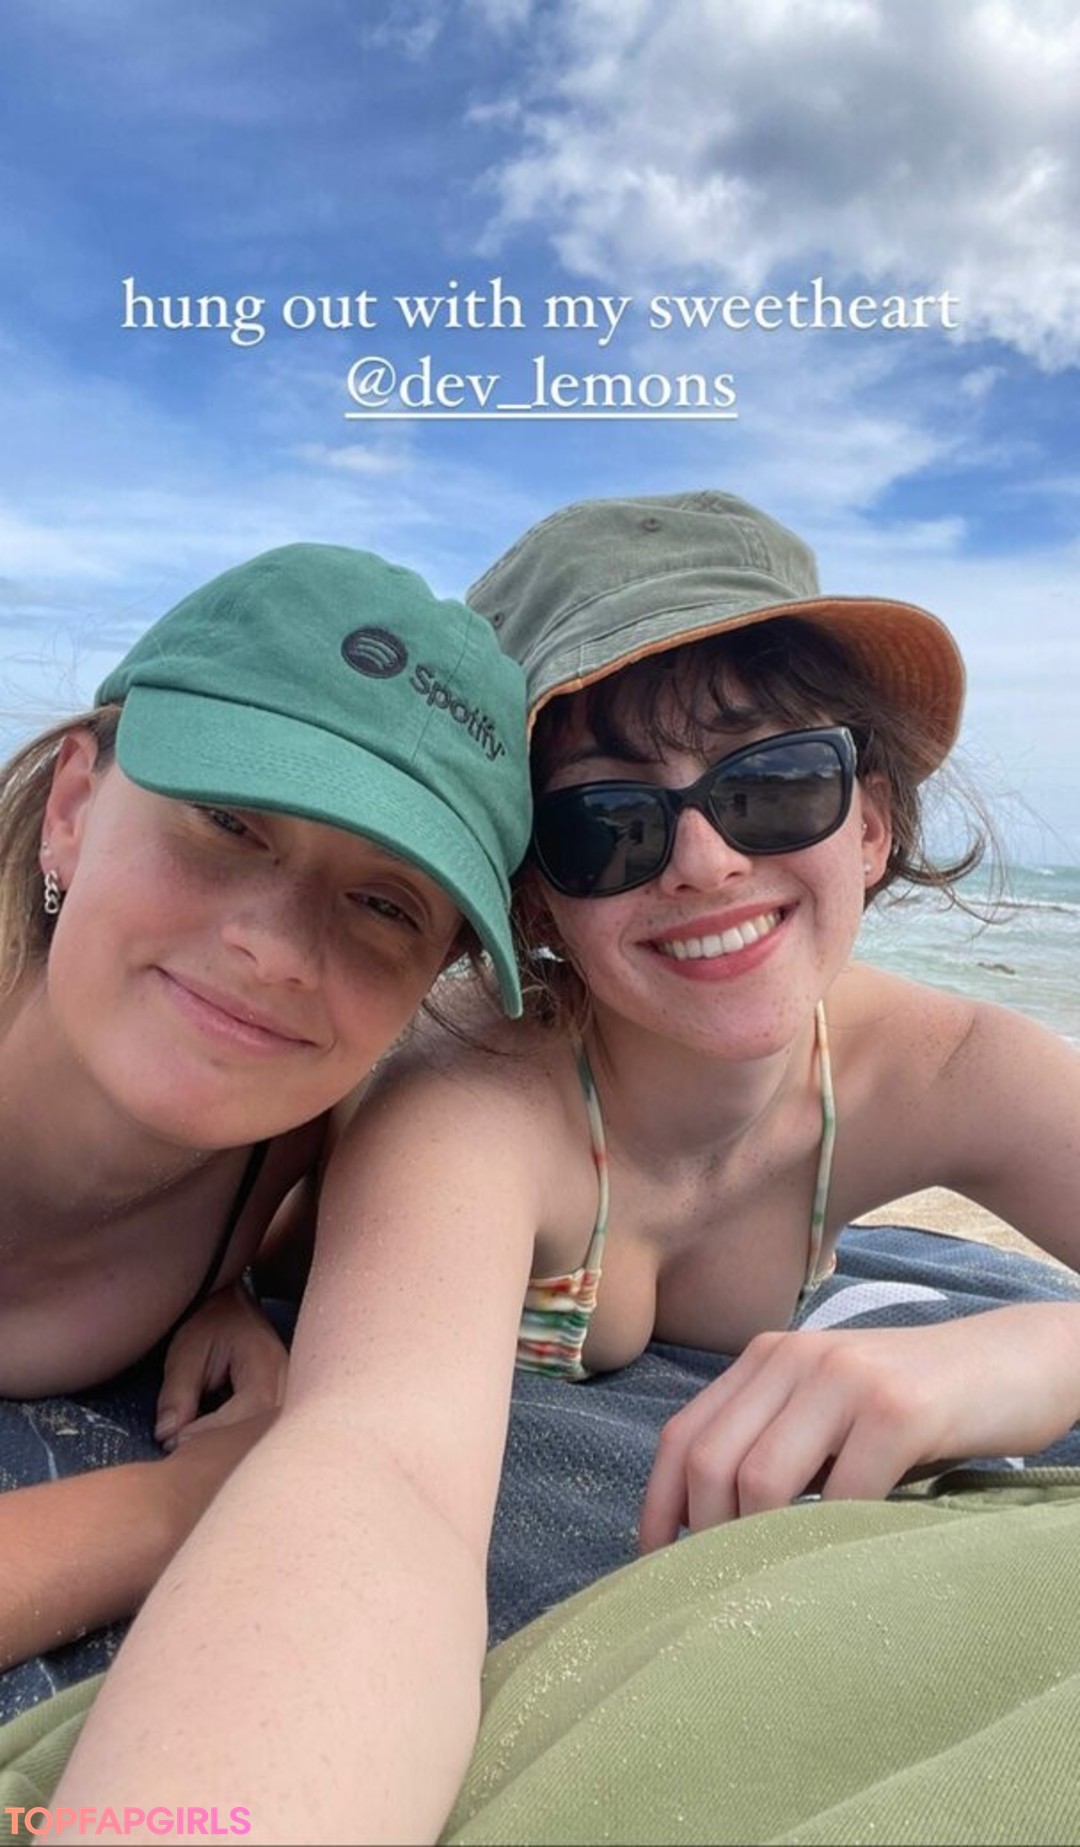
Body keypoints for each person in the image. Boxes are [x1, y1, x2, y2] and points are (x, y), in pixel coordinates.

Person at [45, 491, 1080, 1843]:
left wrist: (1029, 1355)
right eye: (608, 822)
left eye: (775, 784)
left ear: (870, 821)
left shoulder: (952, 1071)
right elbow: (378, 1474)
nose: (706, 859)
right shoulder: (473, 1101)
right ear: (536, 898)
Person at [0, 539, 530, 1695]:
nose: (278, 950)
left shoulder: (290, 1147)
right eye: (229, 821)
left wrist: (228, 1285)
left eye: (384, 903)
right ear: (75, 808)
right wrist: (186, 1499)